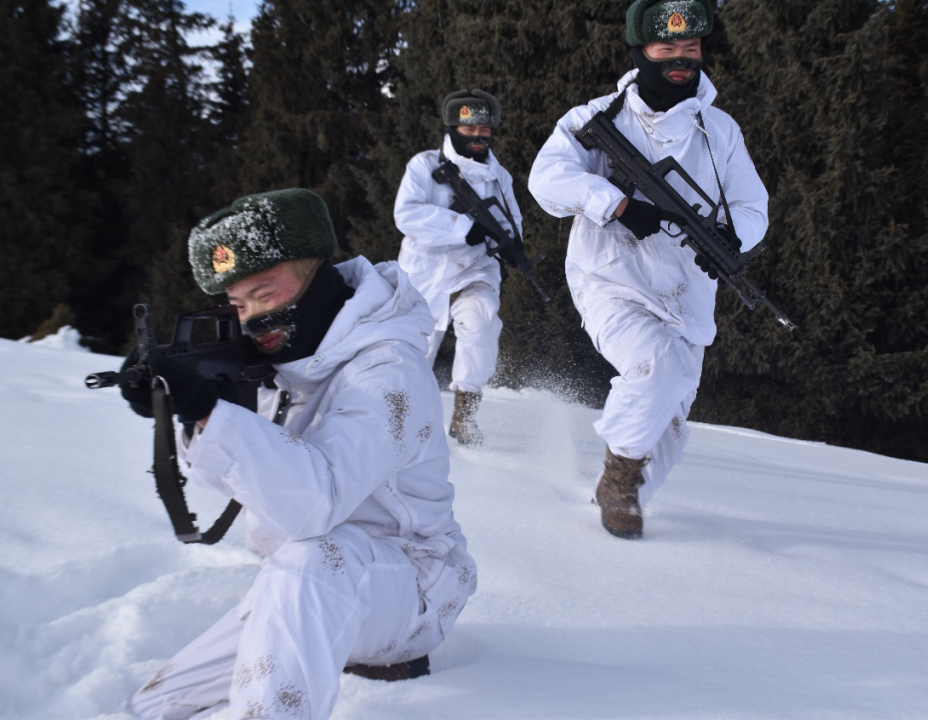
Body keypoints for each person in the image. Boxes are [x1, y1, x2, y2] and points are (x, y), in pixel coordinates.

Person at [122, 188, 476, 719]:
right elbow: (256, 480)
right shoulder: (285, 362)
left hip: (412, 588)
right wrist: (192, 414)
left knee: (312, 561)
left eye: (264, 294)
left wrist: (210, 413)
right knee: (158, 702)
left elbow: (314, 503)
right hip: (303, 584)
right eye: (238, 305)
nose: (251, 320)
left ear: (316, 272)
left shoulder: (387, 370)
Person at [528, 0, 769, 539]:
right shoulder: (597, 118)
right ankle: (617, 483)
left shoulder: (720, 130)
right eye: (666, 49)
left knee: (673, 426)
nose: (680, 61)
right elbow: (546, 180)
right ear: (641, 52)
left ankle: (620, 487)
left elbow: (754, 206)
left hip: (687, 294)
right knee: (653, 368)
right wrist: (614, 204)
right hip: (610, 279)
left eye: (690, 49)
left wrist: (733, 238)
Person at [394, 89, 524, 446]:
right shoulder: (424, 165)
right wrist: (463, 228)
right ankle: (402, 424)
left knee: (480, 324)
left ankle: (465, 417)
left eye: (485, 130)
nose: (479, 137)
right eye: (470, 130)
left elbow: (511, 221)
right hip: (426, 271)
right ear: (454, 128)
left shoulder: (500, 177)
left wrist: (511, 247)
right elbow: (407, 214)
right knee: (416, 349)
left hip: (475, 267)